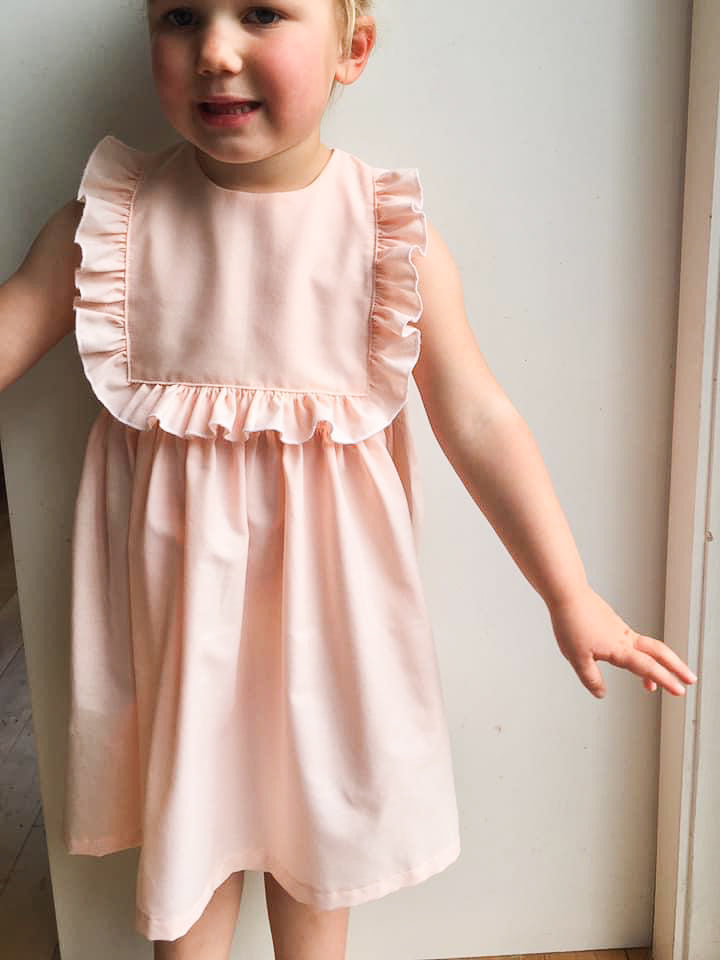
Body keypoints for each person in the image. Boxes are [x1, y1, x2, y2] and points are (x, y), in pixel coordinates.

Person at [0, 1, 698, 958]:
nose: (215, 51)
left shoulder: (387, 238)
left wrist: (568, 593)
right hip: (178, 630)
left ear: (351, 48)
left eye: (261, 13)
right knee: (187, 866)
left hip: (329, 628)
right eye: (181, 16)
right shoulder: (112, 226)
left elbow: (479, 419)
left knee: (318, 855)